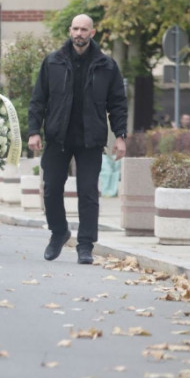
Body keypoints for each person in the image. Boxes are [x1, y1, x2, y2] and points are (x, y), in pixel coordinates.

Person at [28, 14, 127, 265]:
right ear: (70, 31)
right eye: (75, 29)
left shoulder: (106, 65)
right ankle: (59, 232)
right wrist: (34, 131)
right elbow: (38, 99)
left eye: (84, 29)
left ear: (92, 33)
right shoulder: (53, 62)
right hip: (57, 137)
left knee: (88, 192)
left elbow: (117, 103)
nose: (79, 33)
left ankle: (85, 245)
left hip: (90, 139)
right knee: (51, 188)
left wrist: (120, 136)